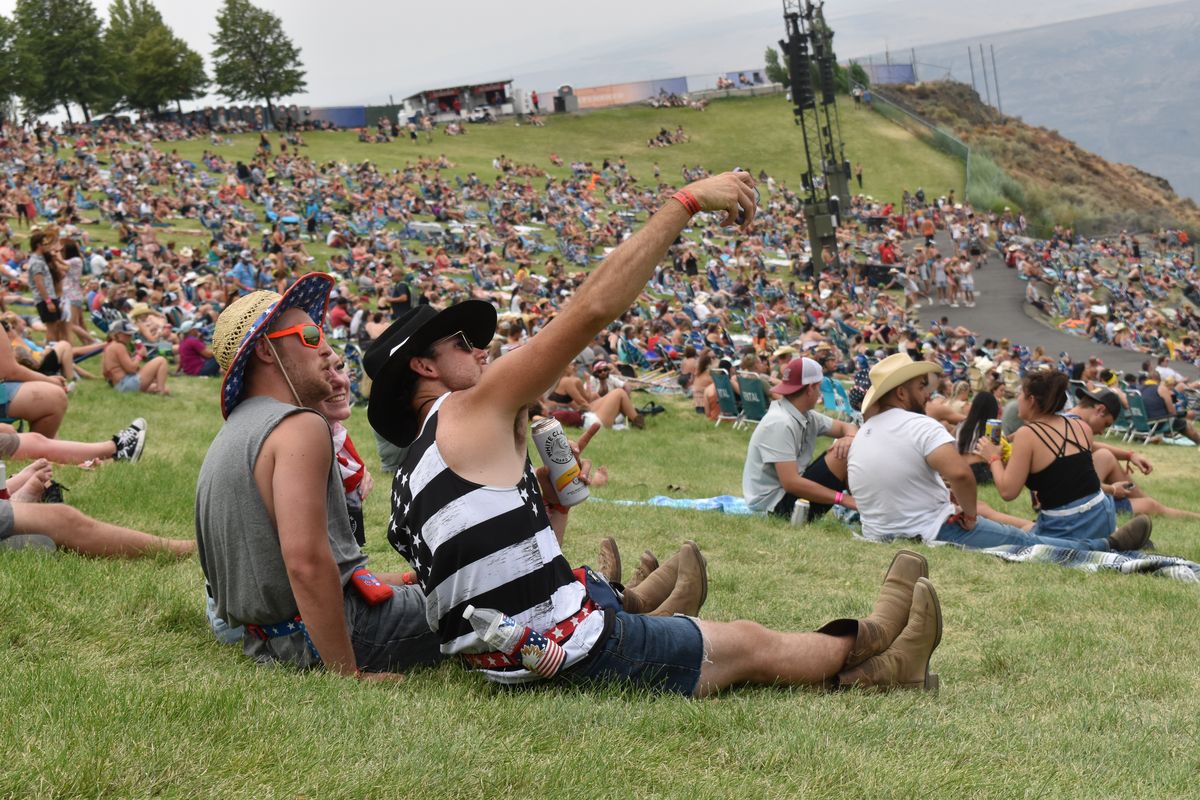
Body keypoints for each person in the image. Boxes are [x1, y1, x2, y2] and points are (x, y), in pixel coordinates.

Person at [366, 172, 943, 696]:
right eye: (461, 344)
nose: (481, 348)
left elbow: (514, 578)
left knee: (633, 609)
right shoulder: (468, 408)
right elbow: (591, 309)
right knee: (742, 643)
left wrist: (542, 505)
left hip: (503, 659)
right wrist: (685, 203)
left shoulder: (410, 480)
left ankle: (869, 669)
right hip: (560, 655)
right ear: (423, 366)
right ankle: (877, 651)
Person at [195, 273, 442, 679]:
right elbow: (306, 563)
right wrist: (348, 674)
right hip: (335, 636)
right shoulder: (300, 426)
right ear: (266, 351)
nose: (327, 348)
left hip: (269, 643)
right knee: (490, 597)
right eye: (310, 335)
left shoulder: (236, 432)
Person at [848, 354, 1152, 553]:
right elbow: (961, 474)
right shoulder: (920, 425)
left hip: (882, 533)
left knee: (1014, 530)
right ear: (901, 393)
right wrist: (968, 512)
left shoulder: (865, 433)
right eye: (920, 386)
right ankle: (1106, 546)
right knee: (1022, 541)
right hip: (930, 531)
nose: (928, 393)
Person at [974, 370, 1152, 546]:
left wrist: (993, 458)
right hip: (1103, 516)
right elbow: (1068, 474)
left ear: (1031, 400)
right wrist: (1129, 456)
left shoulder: (1027, 434)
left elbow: (1008, 492)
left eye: (1020, 394)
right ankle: (1111, 539)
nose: (1017, 399)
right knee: (1023, 526)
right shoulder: (1080, 426)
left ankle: (1105, 545)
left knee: (1011, 536)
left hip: (1065, 526)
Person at [742, 357, 858, 521]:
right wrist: (843, 499)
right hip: (775, 508)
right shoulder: (780, 422)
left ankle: (868, 509)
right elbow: (791, 483)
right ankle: (867, 509)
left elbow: (846, 427)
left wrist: (850, 437)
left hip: (787, 497)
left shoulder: (802, 414)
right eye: (819, 387)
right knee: (843, 454)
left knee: (849, 446)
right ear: (810, 388)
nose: (820, 392)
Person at [1065, 386, 1200, 521]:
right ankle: (1160, 508)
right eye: (1106, 424)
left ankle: (1153, 505)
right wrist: (1111, 489)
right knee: (1149, 505)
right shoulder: (1079, 430)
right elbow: (1080, 482)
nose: (1101, 432)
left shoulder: (1066, 420)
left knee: (1105, 455)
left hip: (1066, 498)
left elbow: (1092, 447)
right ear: (1100, 410)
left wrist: (1130, 455)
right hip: (1070, 507)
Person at [102, 320, 170, 394]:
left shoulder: (109, 346)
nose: (130, 337)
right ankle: (161, 392)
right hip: (126, 384)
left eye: (131, 334)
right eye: (127, 334)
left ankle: (160, 389)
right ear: (118, 334)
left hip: (119, 386)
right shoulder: (119, 346)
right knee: (161, 360)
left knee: (167, 389)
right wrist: (139, 355)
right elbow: (131, 369)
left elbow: (105, 372)